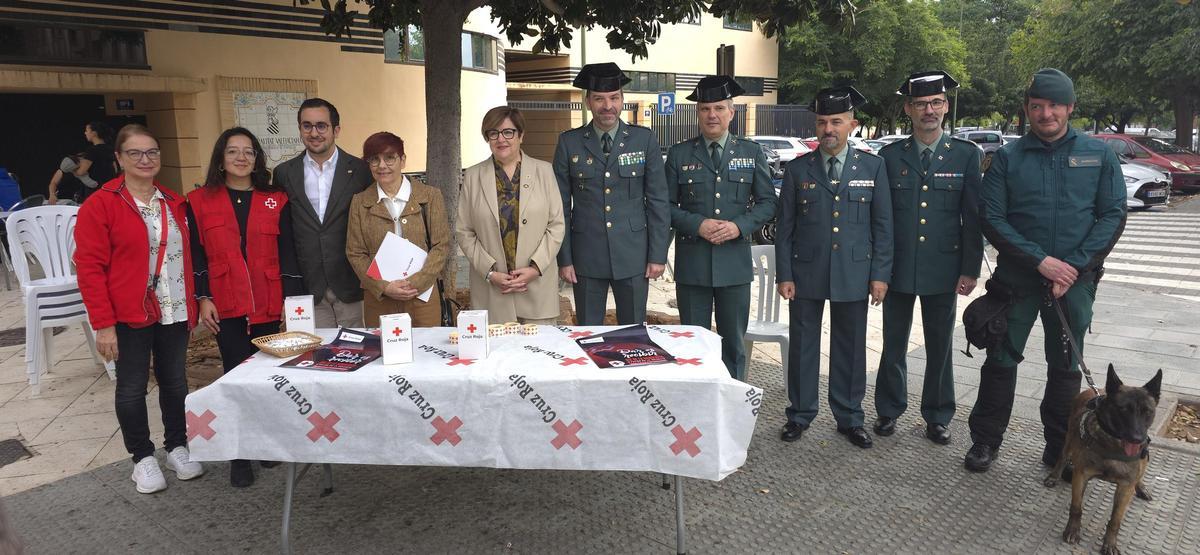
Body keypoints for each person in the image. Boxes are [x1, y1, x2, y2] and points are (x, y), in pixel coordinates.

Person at [963, 69, 1126, 473]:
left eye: (1054, 106)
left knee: (1066, 367)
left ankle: (1059, 449)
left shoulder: (1099, 155)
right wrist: (1040, 260)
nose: (1046, 114)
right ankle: (985, 441)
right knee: (1000, 360)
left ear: (1070, 108)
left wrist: (1073, 267)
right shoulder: (1008, 158)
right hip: (1017, 280)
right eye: (1037, 106)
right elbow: (992, 217)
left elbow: (1112, 215)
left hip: (1073, 282)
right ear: (1027, 109)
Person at [74, 124, 205, 494]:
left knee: (175, 381)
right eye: (135, 153)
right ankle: (142, 457)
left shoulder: (175, 202)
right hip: (128, 312)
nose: (145, 160)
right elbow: (89, 267)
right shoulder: (101, 204)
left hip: (173, 307)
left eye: (152, 152)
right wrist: (103, 324)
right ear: (119, 158)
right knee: (132, 387)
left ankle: (177, 446)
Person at [774, 86, 893, 449]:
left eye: (836, 122)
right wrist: (784, 274)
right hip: (806, 272)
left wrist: (880, 275)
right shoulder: (798, 169)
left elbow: (883, 226)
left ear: (852, 125)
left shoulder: (873, 167)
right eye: (823, 121)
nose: (828, 129)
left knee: (851, 347)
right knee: (803, 345)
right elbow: (785, 228)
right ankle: (799, 414)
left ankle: (850, 417)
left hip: (854, 272)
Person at [186, 127, 303, 487]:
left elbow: (288, 252)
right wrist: (203, 297)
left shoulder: (275, 199)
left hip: (269, 301)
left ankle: (264, 444)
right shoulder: (199, 201)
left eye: (248, 152)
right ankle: (239, 454)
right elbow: (196, 255)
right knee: (235, 378)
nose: (241, 157)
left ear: (257, 159)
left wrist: (290, 299)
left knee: (267, 378)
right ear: (221, 159)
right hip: (226, 304)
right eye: (233, 151)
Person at [873, 71, 984, 446]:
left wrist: (970, 268)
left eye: (936, 102)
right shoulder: (890, 157)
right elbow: (881, 219)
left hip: (943, 267)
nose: (929, 110)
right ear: (908, 109)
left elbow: (973, 217)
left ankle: (937, 415)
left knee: (940, 346)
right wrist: (878, 269)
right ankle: (889, 409)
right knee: (893, 344)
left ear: (946, 106)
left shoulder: (966, 155)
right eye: (920, 104)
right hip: (898, 268)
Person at [666, 76, 777, 378]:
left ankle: (734, 402)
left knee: (734, 347)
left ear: (732, 112)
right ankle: (697, 404)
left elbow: (768, 203)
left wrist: (739, 227)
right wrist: (698, 224)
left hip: (734, 266)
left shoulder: (751, 152)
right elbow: (665, 206)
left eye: (718, 108)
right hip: (693, 265)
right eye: (705, 109)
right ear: (697, 113)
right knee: (693, 348)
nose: (711, 115)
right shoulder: (679, 154)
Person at [553, 62, 670, 325]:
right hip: (586, 256)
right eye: (599, 99)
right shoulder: (569, 142)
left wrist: (657, 255)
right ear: (588, 102)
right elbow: (559, 207)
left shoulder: (644, 140)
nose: (608, 106)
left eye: (614, 98)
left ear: (622, 100)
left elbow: (658, 202)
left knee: (633, 332)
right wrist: (565, 259)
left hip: (633, 255)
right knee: (588, 333)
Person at [456, 106, 565, 324]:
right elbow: (464, 231)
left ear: (521, 135)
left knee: (539, 345)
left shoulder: (544, 171)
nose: (501, 139)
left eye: (508, 132)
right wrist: (489, 272)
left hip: (536, 289)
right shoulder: (473, 176)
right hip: (492, 291)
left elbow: (556, 225)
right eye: (493, 133)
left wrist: (535, 268)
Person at [272, 98, 372, 328]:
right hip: (308, 287)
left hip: (351, 283)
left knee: (357, 346)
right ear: (300, 129)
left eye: (321, 126)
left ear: (336, 130)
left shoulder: (361, 171)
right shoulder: (284, 173)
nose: (314, 133)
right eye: (307, 126)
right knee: (315, 349)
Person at [345, 132, 449, 328]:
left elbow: (441, 246)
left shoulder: (430, 196)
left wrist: (416, 283)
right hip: (379, 299)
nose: (382, 165)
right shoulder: (360, 202)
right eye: (374, 159)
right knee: (384, 347)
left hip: (422, 297)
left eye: (390, 157)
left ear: (403, 160)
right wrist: (384, 287)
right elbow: (355, 252)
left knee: (426, 346)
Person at [49, 121, 117, 204]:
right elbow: (115, 169)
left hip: (95, 192)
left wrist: (74, 171)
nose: (85, 133)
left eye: (87, 130)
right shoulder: (111, 149)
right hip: (110, 189)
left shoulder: (92, 150)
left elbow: (81, 172)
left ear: (94, 133)